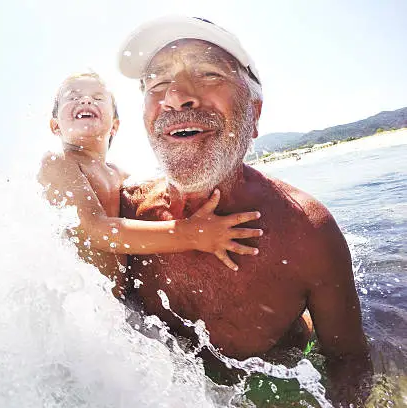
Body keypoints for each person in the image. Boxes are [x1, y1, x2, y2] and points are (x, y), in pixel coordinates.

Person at [117, 16, 372, 406]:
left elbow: (348, 359)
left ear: (254, 113)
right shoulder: (124, 216)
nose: (176, 96)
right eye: (157, 82)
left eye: (208, 73)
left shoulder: (307, 232)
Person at [37, 72, 264, 299]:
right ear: (55, 126)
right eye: (73, 97)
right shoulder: (58, 162)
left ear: (114, 125)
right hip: (81, 307)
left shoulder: (120, 175)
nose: (85, 101)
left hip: (120, 307)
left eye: (97, 97)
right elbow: (94, 231)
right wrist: (192, 233)